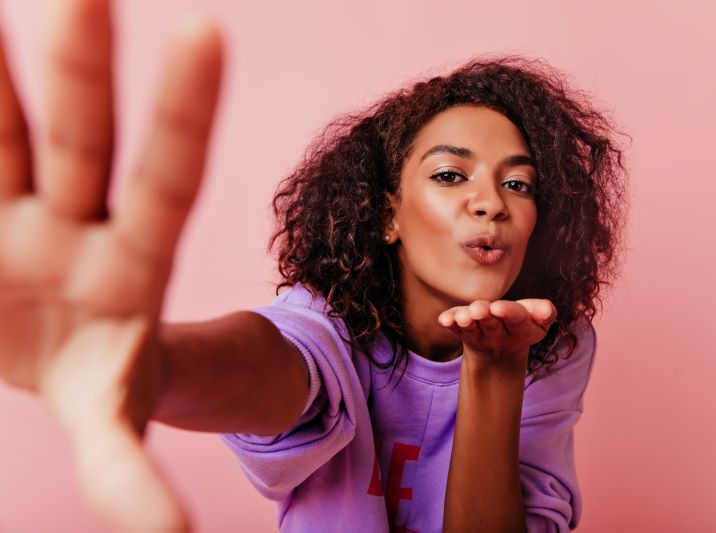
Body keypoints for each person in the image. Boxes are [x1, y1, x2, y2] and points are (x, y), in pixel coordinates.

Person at [0, 1, 627, 532]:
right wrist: (151, 364)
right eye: (448, 175)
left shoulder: (549, 347)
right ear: (388, 216)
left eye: (518, 185)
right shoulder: (328, 325)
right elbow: (265, 366)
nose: (491, 202)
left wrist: (496, 368)